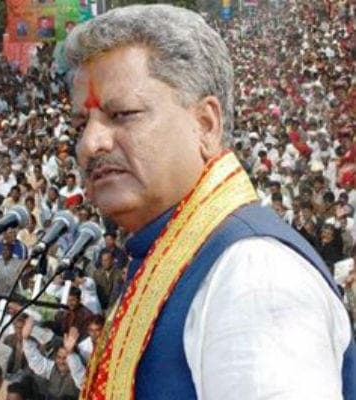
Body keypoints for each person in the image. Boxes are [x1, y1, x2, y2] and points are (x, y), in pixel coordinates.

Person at [65, 4, 355, 398]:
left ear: (205, 124)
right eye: (80, 125)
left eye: (122, 114)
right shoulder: (162, 256)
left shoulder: (254, 274)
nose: (90, 143)